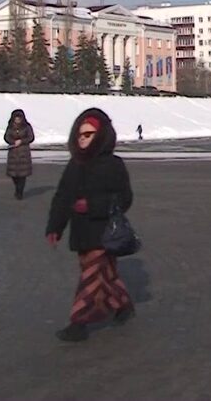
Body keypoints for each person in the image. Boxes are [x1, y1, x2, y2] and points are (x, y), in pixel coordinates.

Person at [46, 108, 135, 342]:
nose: (83, 138)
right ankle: (123, 305)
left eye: (89, 134)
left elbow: (124, 199)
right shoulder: (75, 164)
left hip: (105, 232)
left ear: (101, 136)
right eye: (80, 134)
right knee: (105, 276)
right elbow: (63, 197)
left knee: (92, 277)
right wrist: (55, 227)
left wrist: (93, 205)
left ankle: (79, 323)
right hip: (81, 232)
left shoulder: (113, 164)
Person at [4, 109, 34, 200]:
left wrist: (22, 141)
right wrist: (13, 141)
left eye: (19, 118)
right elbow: (6, 137)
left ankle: (19, 192)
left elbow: (31, 137)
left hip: (23, 153)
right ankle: (17, 187)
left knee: (22, 175)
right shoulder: (10, 127)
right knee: (14, 174)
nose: (17, 120)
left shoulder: (27, 127)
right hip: (13, 153)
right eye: (16, 118)